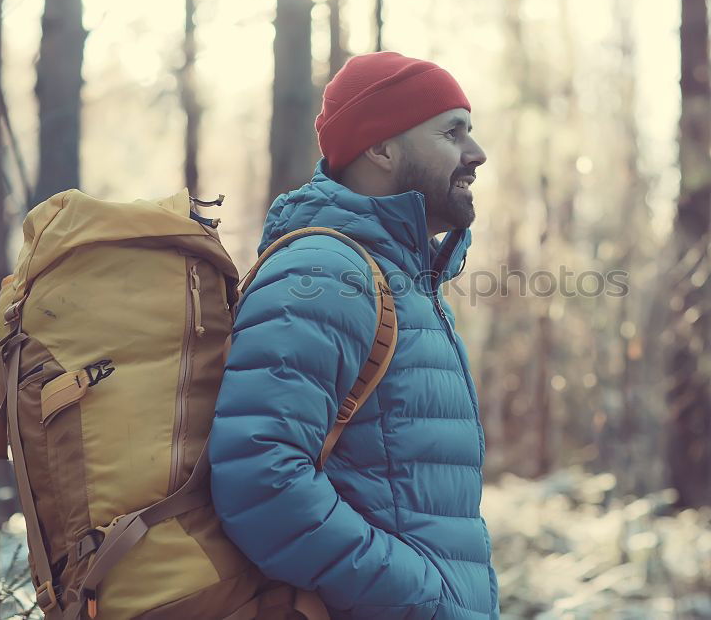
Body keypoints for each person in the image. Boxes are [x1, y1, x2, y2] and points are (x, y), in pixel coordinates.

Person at [209, 51, 499, 619]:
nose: (476, 153)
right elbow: (261, 478)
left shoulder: (404, 282)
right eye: (452, 131)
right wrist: (424, 601)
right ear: (382, 148)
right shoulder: (323, 271)